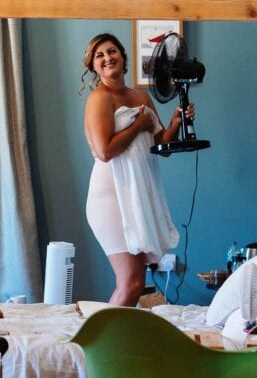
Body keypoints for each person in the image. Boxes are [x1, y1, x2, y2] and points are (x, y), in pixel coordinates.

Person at [80, 33, 195, 306]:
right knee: (131, 282)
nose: (108, 58)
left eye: (112, 51)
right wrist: (137, 127)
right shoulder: (100, 98)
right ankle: (101, 344)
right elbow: (105, 151)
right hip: (109, 197)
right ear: (94, 67)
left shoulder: (141, 95)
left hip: (136, 195)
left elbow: (159, 147)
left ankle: (113, 340)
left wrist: (176, 122)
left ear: (123, 56)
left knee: (135, 282)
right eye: (100, 56)